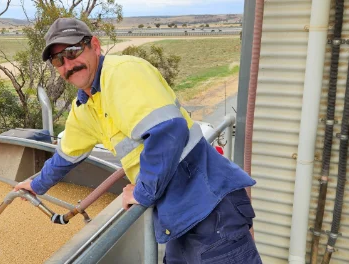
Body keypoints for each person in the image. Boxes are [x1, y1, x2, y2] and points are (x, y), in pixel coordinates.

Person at [14, 17, 262, 263]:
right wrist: (36, 185)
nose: (68, 63)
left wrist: (143, 192)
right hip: (178, 217)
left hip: (210, 208)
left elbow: (169, 132)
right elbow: (66, 156)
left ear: (95, 46)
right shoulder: (85, 107)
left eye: (73, 50)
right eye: (58, 59)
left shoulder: (122, 74)